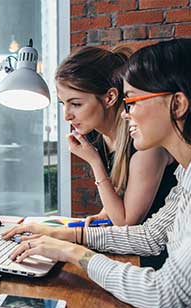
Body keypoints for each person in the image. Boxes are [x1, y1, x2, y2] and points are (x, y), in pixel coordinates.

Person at [2, 38, 191, 308]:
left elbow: (165, 295)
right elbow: (151, 236)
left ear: (177, 104)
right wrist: (68, 235)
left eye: (133, 102)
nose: (126, 115)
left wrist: (72, 251)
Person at [56, 47, 177, 230]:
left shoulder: (146, 143)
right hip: (130, 246)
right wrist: (104, 215)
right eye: (63, 104)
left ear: (110, 97)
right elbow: (121, 195)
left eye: (76, 104)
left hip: (157, 250)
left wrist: (94, 161)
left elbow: (126, 221)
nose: (67, 116)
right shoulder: (96, 136)